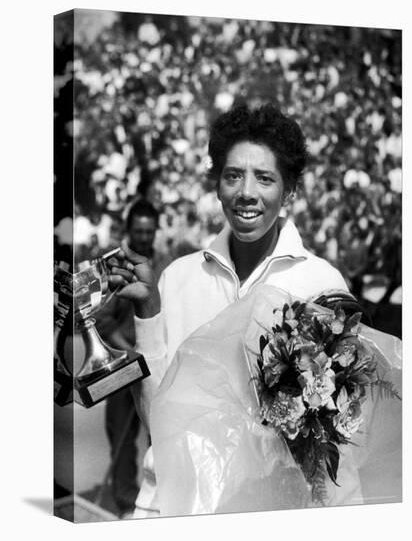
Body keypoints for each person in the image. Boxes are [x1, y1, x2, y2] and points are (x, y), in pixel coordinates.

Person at [108, 103, 358, 517]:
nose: (246, 192)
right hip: (174, 506)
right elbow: (158, 421)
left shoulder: (322, 284)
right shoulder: (178, 279)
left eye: (264, 178)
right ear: (217, 185)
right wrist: (148, 312)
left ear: (290, 191)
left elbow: (343, 434)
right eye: (233, 175)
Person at [95, 198, 170, 518]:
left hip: (157, 364)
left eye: (148, 231)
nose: (143, 237)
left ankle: (163, 500)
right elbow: (103, 320)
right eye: (138, 231)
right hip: (123, 361)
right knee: (122, 438)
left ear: (155, 231)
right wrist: (129, 352)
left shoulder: (166, 266)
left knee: (162, 433)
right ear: (129, 231)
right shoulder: (117, 265)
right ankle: (127, 504)